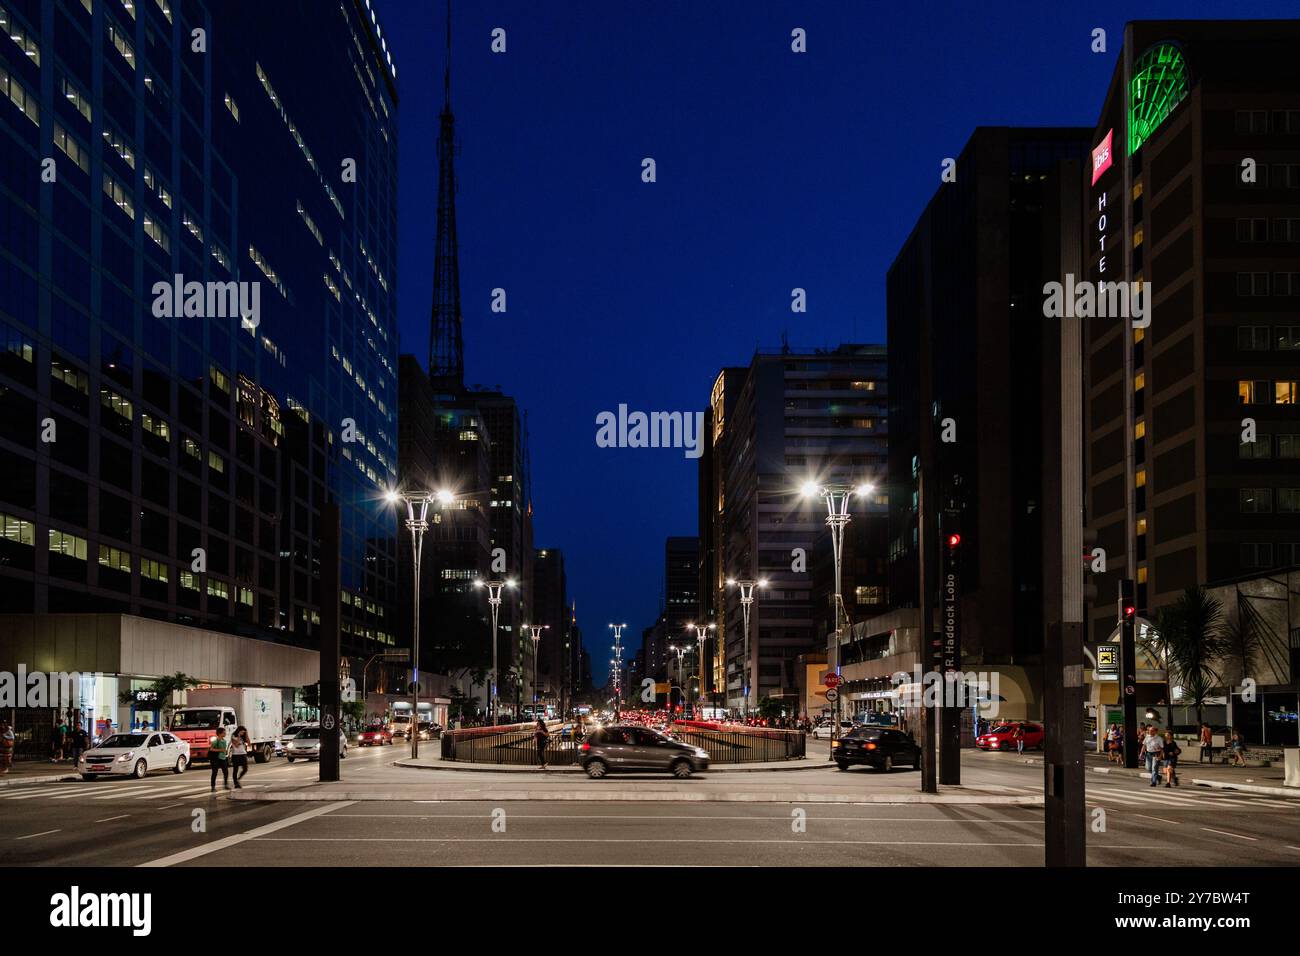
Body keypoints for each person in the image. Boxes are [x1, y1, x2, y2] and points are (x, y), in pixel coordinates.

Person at [209, 727, 230, 791]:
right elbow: (211, 749)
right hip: (216, 759)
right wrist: (220, 750)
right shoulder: (215, 741)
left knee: (226, 772)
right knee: (214, 772)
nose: (225, 733)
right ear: (220, 734)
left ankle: (225, 785)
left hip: (223, 758)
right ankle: (213, 787)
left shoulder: (224, 741)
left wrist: (225, 752)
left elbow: (224, 749)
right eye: (224, 732)